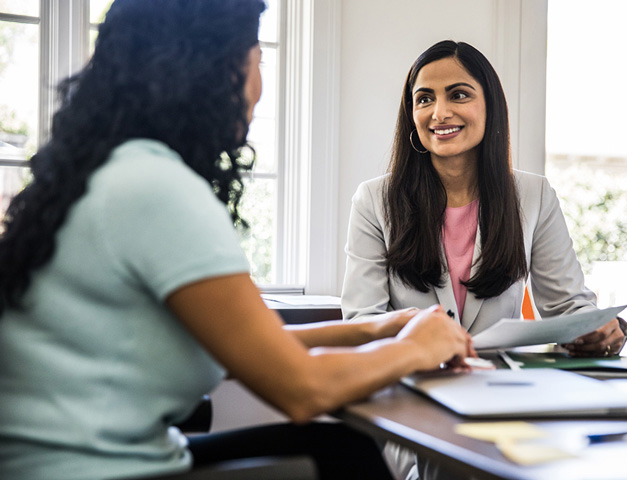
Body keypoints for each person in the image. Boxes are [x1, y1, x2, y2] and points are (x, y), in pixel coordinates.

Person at [0, 3, 475, 479]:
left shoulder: (110, 172)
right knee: (343, 456)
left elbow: (250, 344)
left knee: (340, 448)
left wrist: (374, 330)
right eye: (258, 61)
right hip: (97, 470)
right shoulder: (156, 190)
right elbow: (302, 389)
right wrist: (417, 347)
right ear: (215, 69)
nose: (260, 88)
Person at [341, 40, 627, 479]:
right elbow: (362, 323)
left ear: (489, 105)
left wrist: (597, 330)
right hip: (413, 405)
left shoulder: (533, 196)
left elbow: (569, 307)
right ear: (410, 114)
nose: (439, 113)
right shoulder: (374, 200)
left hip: (507, 405)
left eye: (458, 94)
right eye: (424, 99)